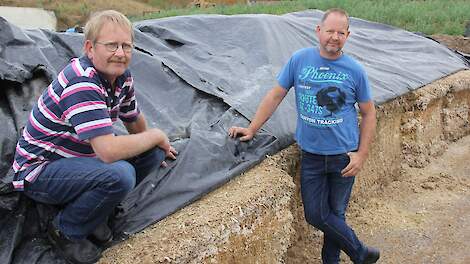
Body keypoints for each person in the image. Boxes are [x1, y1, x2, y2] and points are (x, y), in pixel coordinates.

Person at [11, 10, 177, 264]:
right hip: (40, 171)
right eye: (111, 45)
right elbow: (107, 151)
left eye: (126, 46)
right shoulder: (82, 82)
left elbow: (132, 118)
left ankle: (99, 209)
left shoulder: (121, 76)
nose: (120, 53)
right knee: (120, 174)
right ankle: (65, 230)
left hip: (79, 160)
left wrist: (155, 145)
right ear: (90, 47)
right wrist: (156, 135)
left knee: (152, 152)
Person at [229, 8, 379, 264]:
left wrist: (362, 154)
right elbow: (276, 94)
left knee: (336, 214)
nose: (334, 37)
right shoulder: (300, 60)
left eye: (340, 32)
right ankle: (360, 253)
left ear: (348, 35)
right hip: (311, 155)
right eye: (330, 31)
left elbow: (369, 113)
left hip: (343, 157)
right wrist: (252, 128)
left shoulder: (355, 70)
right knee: (316, 215)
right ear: (318, 31)